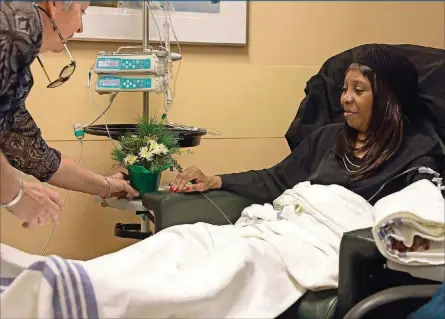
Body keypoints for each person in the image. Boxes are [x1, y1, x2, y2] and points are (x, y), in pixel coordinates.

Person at [170, 45, 444, 204]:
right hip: (292, 229)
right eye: (344, 88)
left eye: (358, 90)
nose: (345, 99)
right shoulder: (327, 138)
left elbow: (419, 210)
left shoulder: (417, 154)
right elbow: (276, 179)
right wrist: (215, 180)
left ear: (388, 100)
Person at [0, 1, 139, 228]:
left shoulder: (18, 48)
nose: (81, 27)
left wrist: (106, 186)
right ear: (54, 5)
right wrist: (15, 195)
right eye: (82, 12)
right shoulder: (17, 25)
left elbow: (36, 155)